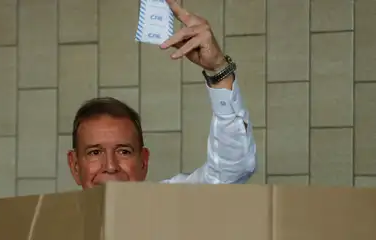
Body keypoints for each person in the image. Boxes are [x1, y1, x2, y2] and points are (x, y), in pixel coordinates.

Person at [67, 0, 256, 189]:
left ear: (144, 162)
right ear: (75, 166)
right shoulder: (45, 216)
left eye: (124, 151)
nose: (110, 166)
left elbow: (229, 173)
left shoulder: (168, 204)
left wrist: (218, 70)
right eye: (94, 153)